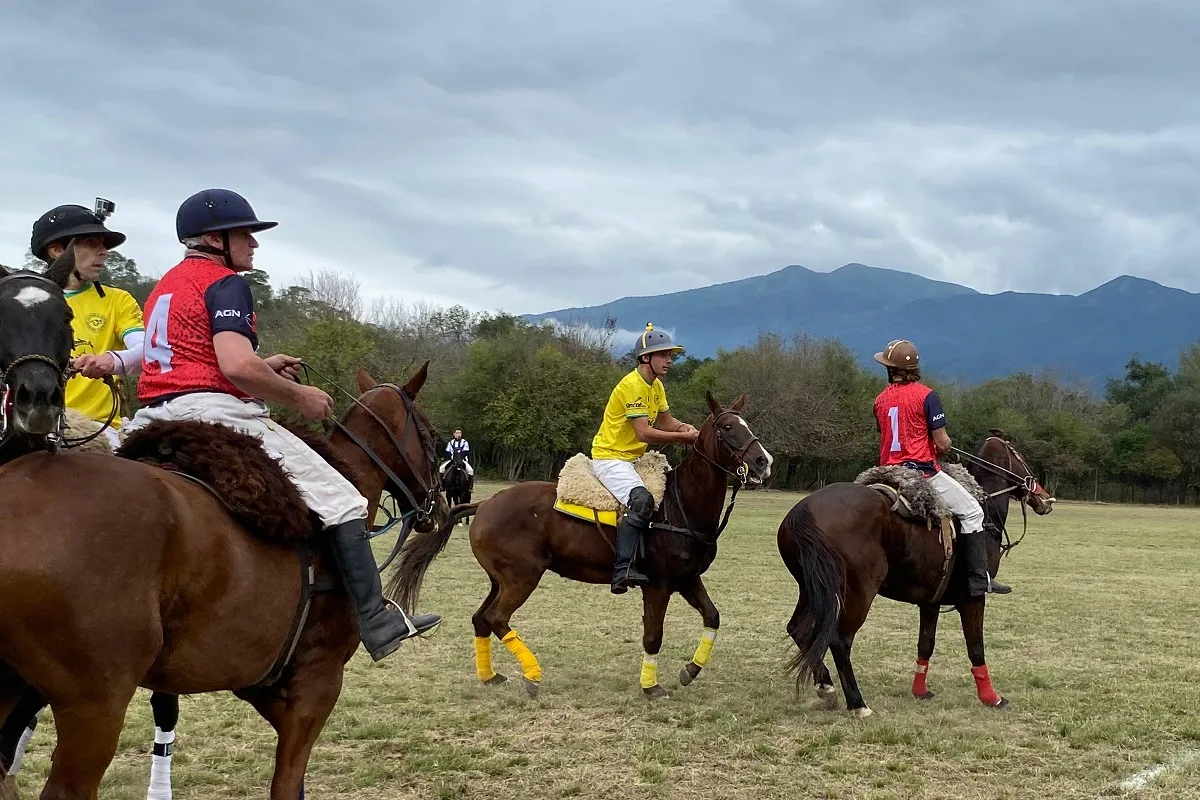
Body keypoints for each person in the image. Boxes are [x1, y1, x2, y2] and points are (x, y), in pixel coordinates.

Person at [123, 188, 442, 662]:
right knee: (346, 501)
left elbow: (193, 358)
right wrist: (300, 396)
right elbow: (234, 366)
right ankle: (376, 620)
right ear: (214, 238)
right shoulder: (225, 284)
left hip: (154, 414)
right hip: (215, 412)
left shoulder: (163, 287)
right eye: (245, 235)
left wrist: (264, 365)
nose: (254, 244)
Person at [872, 338, 1010, 596]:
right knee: (972, 513)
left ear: (892, 369)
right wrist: (944, 445)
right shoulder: (927, 396)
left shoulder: (879, 400)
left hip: (886, 471)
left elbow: (889, 434)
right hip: (920, 471)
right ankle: (979, 580)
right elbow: (942, 443)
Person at [590, 323, 700, 594]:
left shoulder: (656, 386)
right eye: (663, 355)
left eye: (670, 355)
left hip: (630, 459)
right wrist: (684, 439)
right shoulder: (632, 386)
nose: (669, 360)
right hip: (610, 457)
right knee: (642, 501)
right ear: (645, 358)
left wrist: (684, 427)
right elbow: (644, 433)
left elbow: (666, 421)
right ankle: (622, 570)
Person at [30, 202, 144, 448]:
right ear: (57, 250)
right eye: (92, 243)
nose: (104, 252)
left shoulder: (118, 300)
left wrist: (110, 361)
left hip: (96, 431)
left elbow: (146, 353)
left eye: (103, 245)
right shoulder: (25, 303)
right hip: (30, 424)